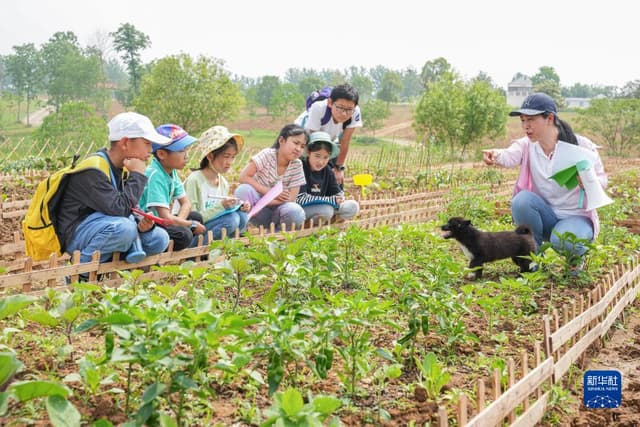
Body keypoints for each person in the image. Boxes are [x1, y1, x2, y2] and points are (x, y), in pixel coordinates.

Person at [482, 93, 608, 272]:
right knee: (522, 200)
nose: (526, 126)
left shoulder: (580, 145)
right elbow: (510, 154)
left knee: (565, 242)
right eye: (523, 120)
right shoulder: (528, 145)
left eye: (531, 120)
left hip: (575, 217)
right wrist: (495, 155)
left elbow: (603, 180)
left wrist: (588, 182)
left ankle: (574, 258)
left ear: (549, 118)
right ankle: (533, 259)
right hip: (545, 215)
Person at [57, 112, 171, 264]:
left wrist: (143, 225)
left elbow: (128, 209)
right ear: (125, 143)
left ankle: (113, 265)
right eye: (147, 143)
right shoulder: (94, 169)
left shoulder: (122, 167)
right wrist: (137, 175)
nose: (151, 150)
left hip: (109, 225)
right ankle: (80, 272)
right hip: (77, 233)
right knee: (125, 229)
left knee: (159, 238)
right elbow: (119, 209)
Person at [138, 124, 206, 251]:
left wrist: (181, 223)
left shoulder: (171, 171)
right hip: (147, 225)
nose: (186, 156)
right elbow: (165, 217)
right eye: (181, 151)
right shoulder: (155, 175)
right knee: (184, 235)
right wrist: (188, 225)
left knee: (196, 217)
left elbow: (186, 203)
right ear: (162, 154)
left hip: (163, 220)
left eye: (186, 150)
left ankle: (183, 253)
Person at [234, 124, 307, 230]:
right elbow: (243, 177)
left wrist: (270, 201)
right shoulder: (267, 155)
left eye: (302, 146)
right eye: (296, 143)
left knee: (295, 211)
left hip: (278, 211)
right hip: (255, 210)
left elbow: (291, 198)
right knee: (243, 190)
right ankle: (241, 230)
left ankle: (277, 238)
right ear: (281, 141)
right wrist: (271, 193)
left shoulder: (297, 165)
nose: (298, 149)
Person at [184, 125, 250, 240]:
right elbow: (192, 219)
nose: (230, 162)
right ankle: (203, 253)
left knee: (242, 216)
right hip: (194, 234)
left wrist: (238, 206)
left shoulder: (223, 182)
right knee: (232, 219)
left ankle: (226, 249)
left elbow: (220, 214)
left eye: (233, 157)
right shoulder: (194, 180)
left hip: (211, 229)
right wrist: (221, 206)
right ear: (210, 156)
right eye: (226, 156)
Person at [295, 83, 363, 184]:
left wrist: (338, 168)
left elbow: (345, 141)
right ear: (330, 103)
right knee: (306, 177)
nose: (344, 113)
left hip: (330, 140)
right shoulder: (318, 108)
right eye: (340, 108)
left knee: (335, 179)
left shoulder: (355, 112)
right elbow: (316, 143)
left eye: (349, 109)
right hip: (307, 141)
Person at [297, 131, 359, 223]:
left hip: (324, 206)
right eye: (317, 156)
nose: (321, 162)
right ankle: (311, 229)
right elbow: (300, 199)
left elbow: (338, 194)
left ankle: (332, 225)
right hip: (303, 209)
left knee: (353, 206)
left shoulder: (327, 170)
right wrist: (330, 200)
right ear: (309, 152)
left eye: (325, 157)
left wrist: (337, 199)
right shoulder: (300, 167)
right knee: (326, 211)